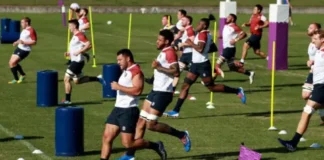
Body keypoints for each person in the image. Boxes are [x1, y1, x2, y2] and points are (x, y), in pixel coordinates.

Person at [118, 30, 191, 160]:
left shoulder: (169, 52)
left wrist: (158, 67)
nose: (157, 41)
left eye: (159, 40)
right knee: (140, 123)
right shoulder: (163, 52)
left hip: (163, 93)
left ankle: (181, 135)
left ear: (167, 41)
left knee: (150, 125)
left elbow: (176, 71)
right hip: (155, 91)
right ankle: (130, 155)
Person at [164, 15, 246, 118]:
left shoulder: (203, 35)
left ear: (204, 25)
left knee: (211, 87)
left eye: (199, 24)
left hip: (203, 65)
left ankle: (237, 90)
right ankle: (176, 111)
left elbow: (200, 49)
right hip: (195, 64)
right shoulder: (205, 34)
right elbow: (213, 48)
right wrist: (203, 48)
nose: (197, 26)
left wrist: (190, 43)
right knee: (185, 86)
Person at [100, 49, 166, 160]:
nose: (118, 62)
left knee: (128, 144)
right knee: (107, 137)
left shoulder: (136, 72)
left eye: (120, 59)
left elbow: (137, 91)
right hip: (117, 109)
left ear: (128, 58)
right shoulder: (126, 70)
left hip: (128, 111)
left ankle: (156, 146)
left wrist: (118, 87)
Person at [278, 30, 324, 151]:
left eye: (315, 39)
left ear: (322, 39)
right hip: (318, 85)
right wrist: (313, 64)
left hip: (322, 86)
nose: (313, 41)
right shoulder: (319, 51)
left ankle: (293, 143)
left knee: (307, 110)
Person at [61, 19, 105, 104]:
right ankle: (97, 78)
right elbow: (76, 48)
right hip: (76, 61)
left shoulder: (80, 35)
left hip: (77, 62)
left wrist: (80, 52)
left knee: (66, 79)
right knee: (77, 81)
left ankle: (67, 100)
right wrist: (69, 53)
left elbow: (89, 44)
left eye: (70, 26)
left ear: (74, 26)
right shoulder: (75, 35)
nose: (69, 27)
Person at [215, 14, 255, 84]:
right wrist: (221, 37)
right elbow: (227, 36)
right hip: (228, 49)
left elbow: (244, 34)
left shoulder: (235, 27)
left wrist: (236, 40)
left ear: (233, 19)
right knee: (232, 67)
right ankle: (250, 73)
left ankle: (210, 81)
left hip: (229, 49)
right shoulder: (226, 26)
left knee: (217, 65)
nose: (227, 18)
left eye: (229, 17)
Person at [301, 23, 324, 124]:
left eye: (311, 28)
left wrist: (313, 62)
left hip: (319, 75)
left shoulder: (319, 42)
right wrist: (309, 62)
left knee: (308, 98)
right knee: (305, 96)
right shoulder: (312, 43)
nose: (308, 29)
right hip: (313, 73)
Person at [8, 17, 37, 84]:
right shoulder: (24, 30)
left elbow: (34, 42)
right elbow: (21, 39)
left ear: (26, 23)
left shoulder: (31, 30)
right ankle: (18, 77)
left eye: (22, 22)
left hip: (25, 50)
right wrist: (16, 42)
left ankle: (20, 76)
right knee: (10, 63)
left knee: (13, 63)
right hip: (19, 48)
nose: (21, 24)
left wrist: (24, 43)